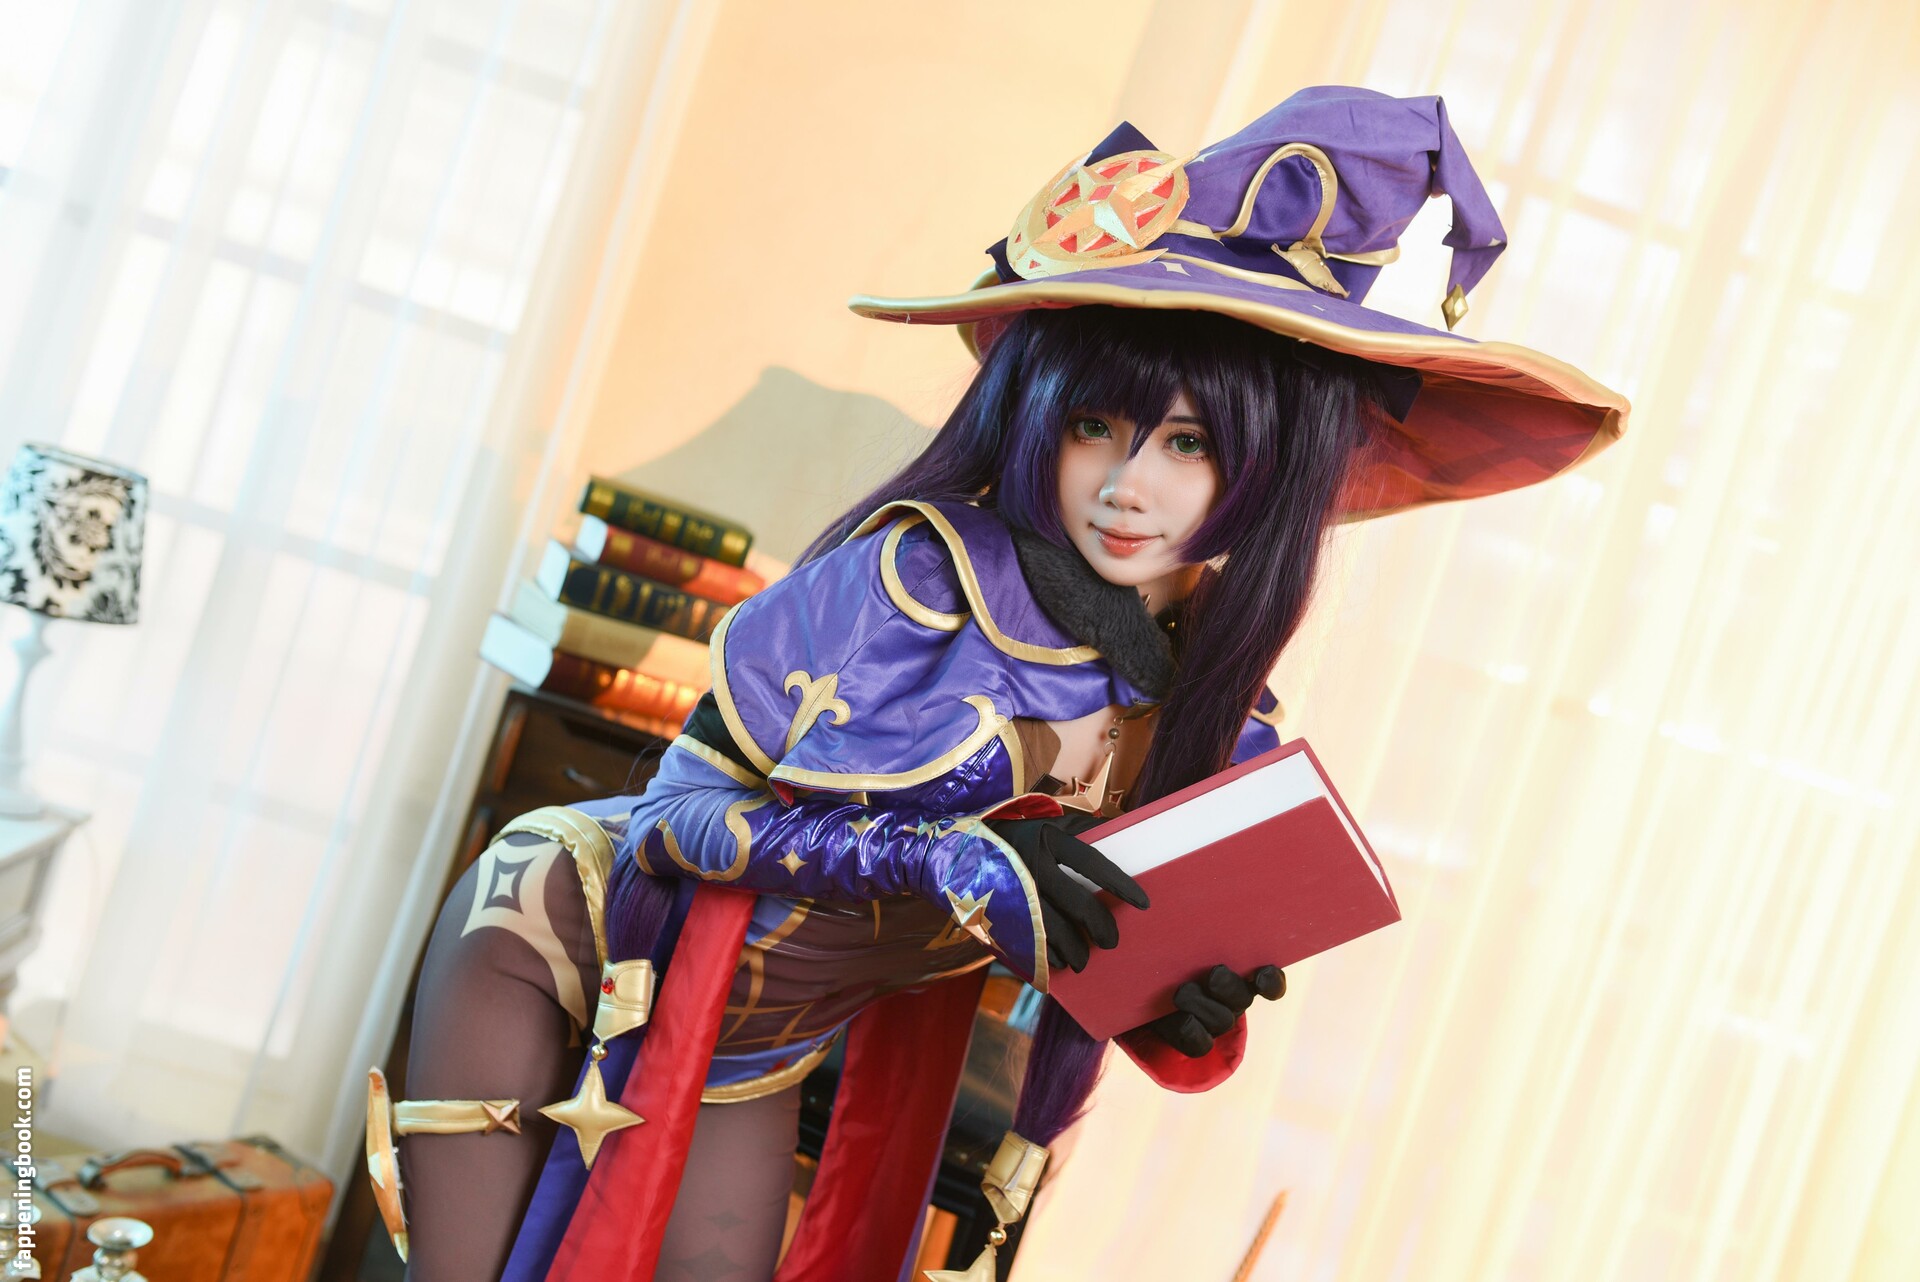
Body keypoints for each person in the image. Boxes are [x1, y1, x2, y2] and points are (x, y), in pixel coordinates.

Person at [366, 86, 1627, 1282]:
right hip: (555, 940)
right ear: (1041, 413)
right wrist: (946, 861)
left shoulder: (1219, 721)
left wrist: (1180, 1000)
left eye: (1190, 443)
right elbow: (671, 821)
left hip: (754, 1042)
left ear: (1268, 471)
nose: (1128, 485)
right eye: (1097, 426)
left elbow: (1103, 949)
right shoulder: (908, 581)